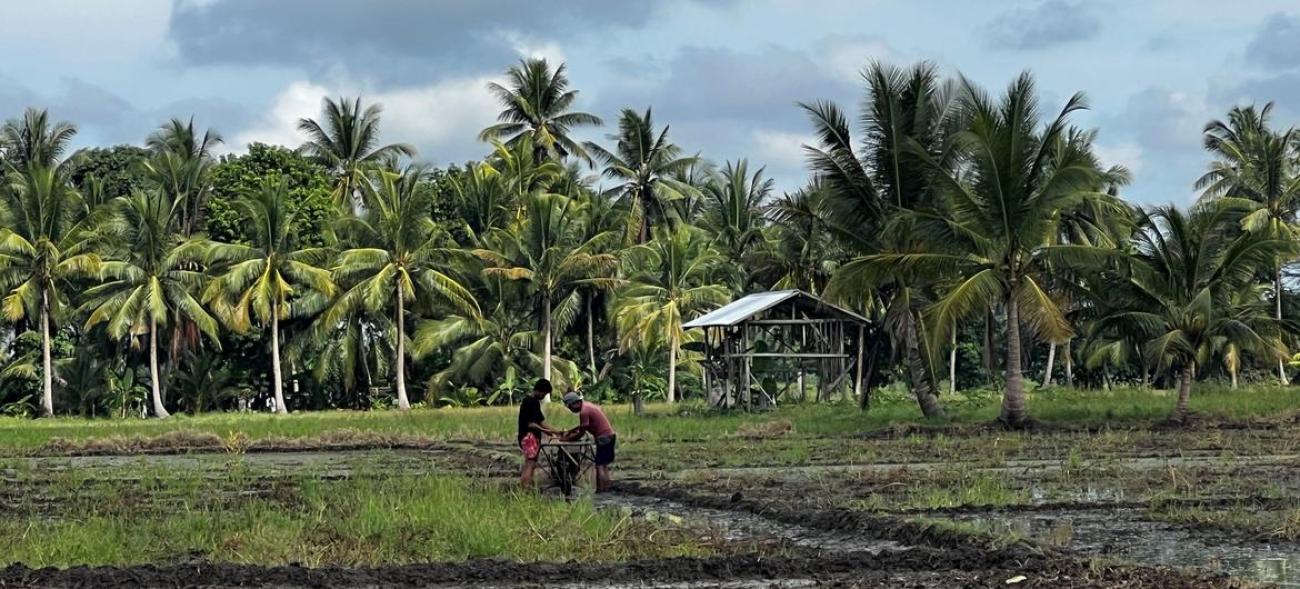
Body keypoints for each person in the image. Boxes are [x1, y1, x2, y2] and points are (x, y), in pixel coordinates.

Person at [561, 391, 616, 492]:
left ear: (575, 403)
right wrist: (571, 431)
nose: (571, 409)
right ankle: (606, 487)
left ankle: (601, 490)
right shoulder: (588, 405)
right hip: (609, 435)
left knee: (599, 465)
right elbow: (584, 426)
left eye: (570, 407)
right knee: (603, 464)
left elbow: (581, 432)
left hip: (603, 437)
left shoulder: (584, 412)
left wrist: (566, 439)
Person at [518, 378, 557, 490]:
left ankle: (525, 486)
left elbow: (540, 421)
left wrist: (555, 431)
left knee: (531, 463)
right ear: (540, 391)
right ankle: (525, 488)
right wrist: (546, 431)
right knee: (530, 463)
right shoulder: (530, 402)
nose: (544, 396)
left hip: (530, 437)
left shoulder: (533, 402)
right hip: (529, 437)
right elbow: (531, 424)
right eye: (544, 394)